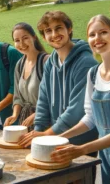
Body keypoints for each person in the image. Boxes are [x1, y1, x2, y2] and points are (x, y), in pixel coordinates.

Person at [51, 15, 110, 184]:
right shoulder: (93, 74)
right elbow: (90, 118)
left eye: (103, 32)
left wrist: (82, 149)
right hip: (106, 157)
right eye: (92, 35)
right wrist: (60, 138)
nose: (97, 39)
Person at [18, 11, 98, 147]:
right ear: (43, 37)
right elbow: (43, 101)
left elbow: (76, 110)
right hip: (57, 139)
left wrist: (47, 134)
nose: (54, 35)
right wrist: (37, 133)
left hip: (82, 142)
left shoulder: (85, 62)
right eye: (48, 31)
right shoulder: (50, 62)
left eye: (59, 28)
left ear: (69, 29)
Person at [4, 22, 49, 129]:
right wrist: (14, 115)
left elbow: (54, 97)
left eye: (25, 38)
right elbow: (17, 97)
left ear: (34, 37)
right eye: (17, 40)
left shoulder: (46, 61)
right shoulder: (19, 65)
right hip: (26, 122)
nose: (21, 44)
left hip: (46, 122)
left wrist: (36, 114)